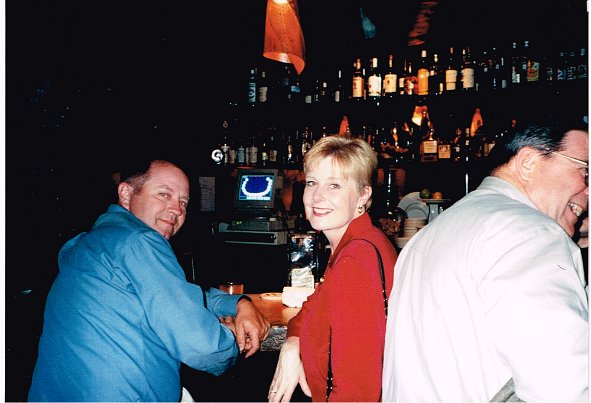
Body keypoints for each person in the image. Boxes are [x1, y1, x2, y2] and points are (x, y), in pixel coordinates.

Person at [28, 158, 270, 402]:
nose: (177, 209)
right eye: (164, 194)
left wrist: (238, 303)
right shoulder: (139, 240)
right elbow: (203, 348)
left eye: (183, 202)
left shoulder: (89, 243)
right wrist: (231, 337)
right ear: (126, 194)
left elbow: (176, 295)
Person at [382, 121, 589, 401]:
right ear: (528, 162)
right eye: (585, 171)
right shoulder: (531, 232)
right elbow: (563, 386)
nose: (588, 190)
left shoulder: (431, 233)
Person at [269, 136, 398, 402]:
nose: (317, 196)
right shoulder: (355, 243)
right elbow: (312, 308)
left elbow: (357, 391)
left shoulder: (356, 260)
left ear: (363, 194)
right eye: (312, 183)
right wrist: (292, 344)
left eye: (334, 185)